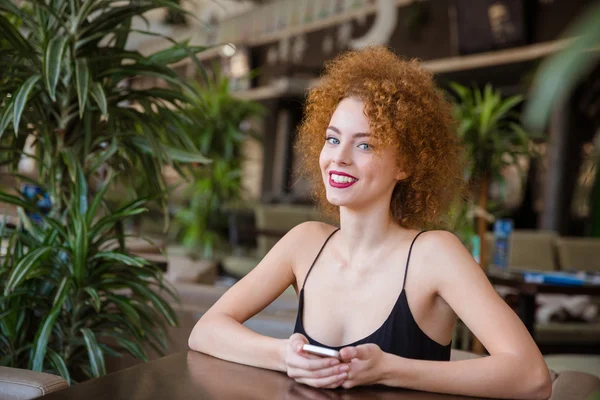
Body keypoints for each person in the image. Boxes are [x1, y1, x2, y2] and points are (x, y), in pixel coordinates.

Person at [188, 46, 552, 399]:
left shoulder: (434, 255)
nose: (339, 158)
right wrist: (286, 356)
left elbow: (531, 377)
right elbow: (205, 331)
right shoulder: (305, 243)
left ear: (405, 164)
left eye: (365, 145)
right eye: (333, 139)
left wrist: (389, 370)